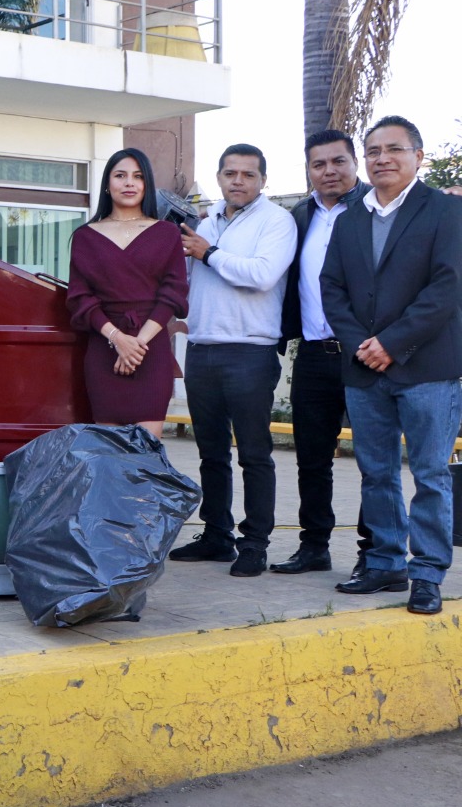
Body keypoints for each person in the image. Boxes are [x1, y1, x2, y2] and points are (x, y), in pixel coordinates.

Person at [321, 116, 462, 615]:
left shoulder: (445, 211)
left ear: (418, 157)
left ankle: (426, 573)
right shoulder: (351, 218)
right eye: (374, 150)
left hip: (427, 368)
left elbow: (446, 288)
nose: (383, 158)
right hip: (365, 368)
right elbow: (331, 288)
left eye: (394, 149)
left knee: (429, 474)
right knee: (376, 472)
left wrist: (392, 343)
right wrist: (364, 344)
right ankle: (385, 563)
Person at [171, 144, 297, 577]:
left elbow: (262, 275)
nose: (238, 181)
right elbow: (186, 291)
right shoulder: (203, 224)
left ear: (263, 180)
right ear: (220, 177)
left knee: (254, 454)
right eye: (230, 173)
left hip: (250, 350)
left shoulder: (276, 221)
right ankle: (216, 536)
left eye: (248, 174)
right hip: (202, 349)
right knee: (210, 453)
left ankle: (256, 544)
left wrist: (207, 253)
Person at [271, 130, 372, 577]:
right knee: (312, 458)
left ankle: (375, 552)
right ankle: (314, 547)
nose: (329, 171)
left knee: (375, 460)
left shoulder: (377, 209)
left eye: (338, 161)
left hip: (367, 354)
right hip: (312, 354)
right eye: (319, 164)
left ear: (355, 163)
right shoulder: (298, 216)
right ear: (308, 170)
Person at [65, 149, 188, 438]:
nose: (129, 183)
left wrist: (136, 344)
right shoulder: (85, 235)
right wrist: (117, 339)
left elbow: (174, 293)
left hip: (151, 349)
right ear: (107, 184)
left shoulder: (167, 233)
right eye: (120, 175)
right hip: (103, 349)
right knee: (109, 453)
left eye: (138, 176)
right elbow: (80, 298)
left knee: (146, 453)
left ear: (146, 185)